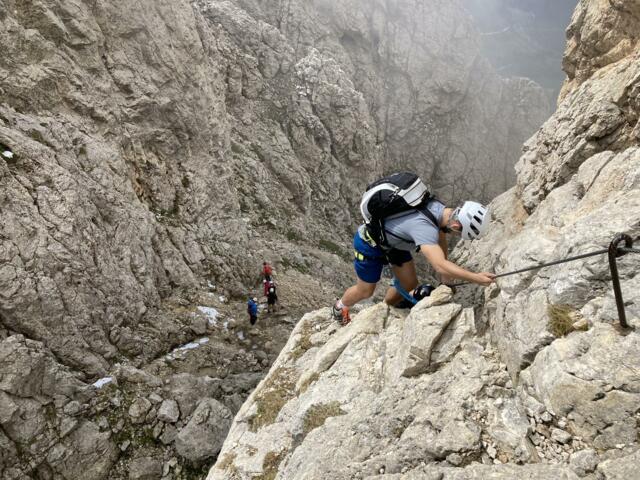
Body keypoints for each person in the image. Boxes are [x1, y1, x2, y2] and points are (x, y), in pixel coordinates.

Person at [332, 199, 496, 326]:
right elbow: (439, 264)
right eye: (458, 233)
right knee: (365, 290)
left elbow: (441, 237)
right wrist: (476, 278)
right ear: (456, 224)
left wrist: (445, 277)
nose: (455, 235)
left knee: (409, 285)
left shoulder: (439, 210)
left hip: (393, 242)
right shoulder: (425, 229)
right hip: (368, 244)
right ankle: (340, 308)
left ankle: (386, 307)